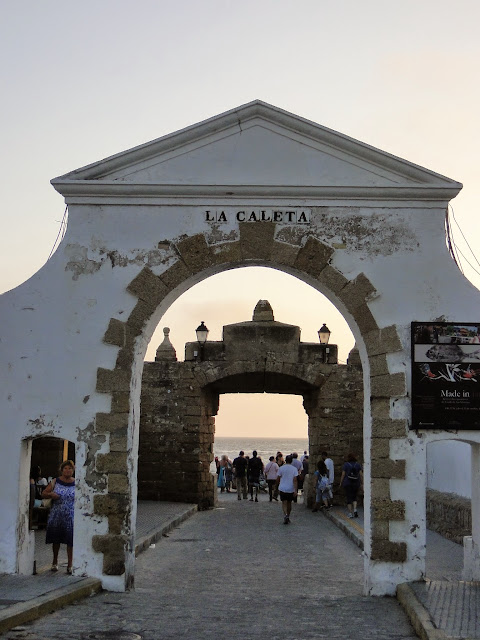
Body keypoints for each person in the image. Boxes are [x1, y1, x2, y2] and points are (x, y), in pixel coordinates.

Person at [42, 459, 75, 574]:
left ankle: (70, 564)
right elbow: (43, 493)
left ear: (73, 470)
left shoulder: (76, 482)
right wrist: (51, 494)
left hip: (70, 515)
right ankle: (55, 561)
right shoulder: (55, 481)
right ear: (62, 470)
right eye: (65, 468)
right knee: (56, 539)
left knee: (70, 540)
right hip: (57, 515)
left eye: (70, 468)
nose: (67, 470)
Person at [275, 454, 298, 524]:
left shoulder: (281, 468)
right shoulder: (294, 469)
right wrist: (295, 490)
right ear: (291, 461)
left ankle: (285, 515)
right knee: (289, 503)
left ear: (285, 460)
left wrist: (276, 486)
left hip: (283, 488)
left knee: (284, 502)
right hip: (290, 488)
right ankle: (288, 515)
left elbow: (278, 478)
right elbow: (295, 480)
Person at [339, 453, 363, 518]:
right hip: (356, 483)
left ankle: (350, 513)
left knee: (349, 498)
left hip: (348, 483)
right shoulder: (358, 465)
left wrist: (341, 482)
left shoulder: (346, 465)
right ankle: (355, 510)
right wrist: (362, 483)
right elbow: (361, 475)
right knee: (354, 497)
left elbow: (343, 475)